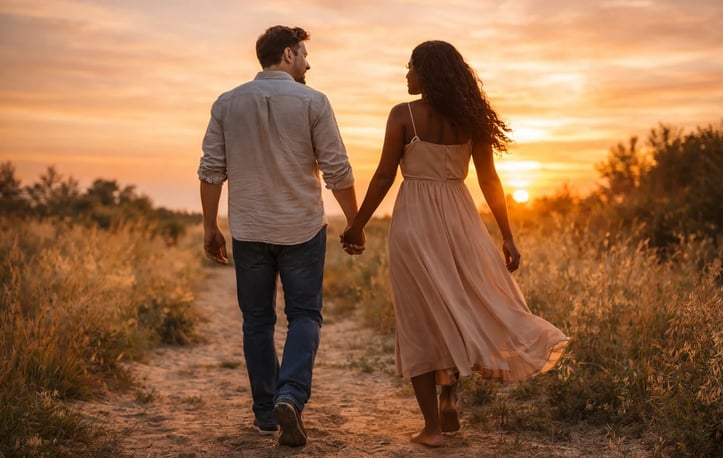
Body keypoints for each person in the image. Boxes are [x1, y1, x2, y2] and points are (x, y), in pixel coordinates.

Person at [341, 40, 569, 447]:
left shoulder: (402, 115)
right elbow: (489, 182)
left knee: (419, 319)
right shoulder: (470, 120)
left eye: (410, 68)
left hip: (415, 223)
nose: (406, 75)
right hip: (462, 221)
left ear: (426, 74)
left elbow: (382, 177)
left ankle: (431, 427)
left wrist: (357, 225)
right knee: (458, 305)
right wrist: (507, 235)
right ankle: (449, 392)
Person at [198, 25, 359, 447]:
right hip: (302, 229)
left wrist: (210, 225)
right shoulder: (314, 102)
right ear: (288, 54)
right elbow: (337, 169)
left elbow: (211, 170)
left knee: (257, 321)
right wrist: (355, 221)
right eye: (304, 54)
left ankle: (266, 414)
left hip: (249, 229)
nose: (308, 62)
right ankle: (290, 395)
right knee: (304, 315)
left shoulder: (227, 103)